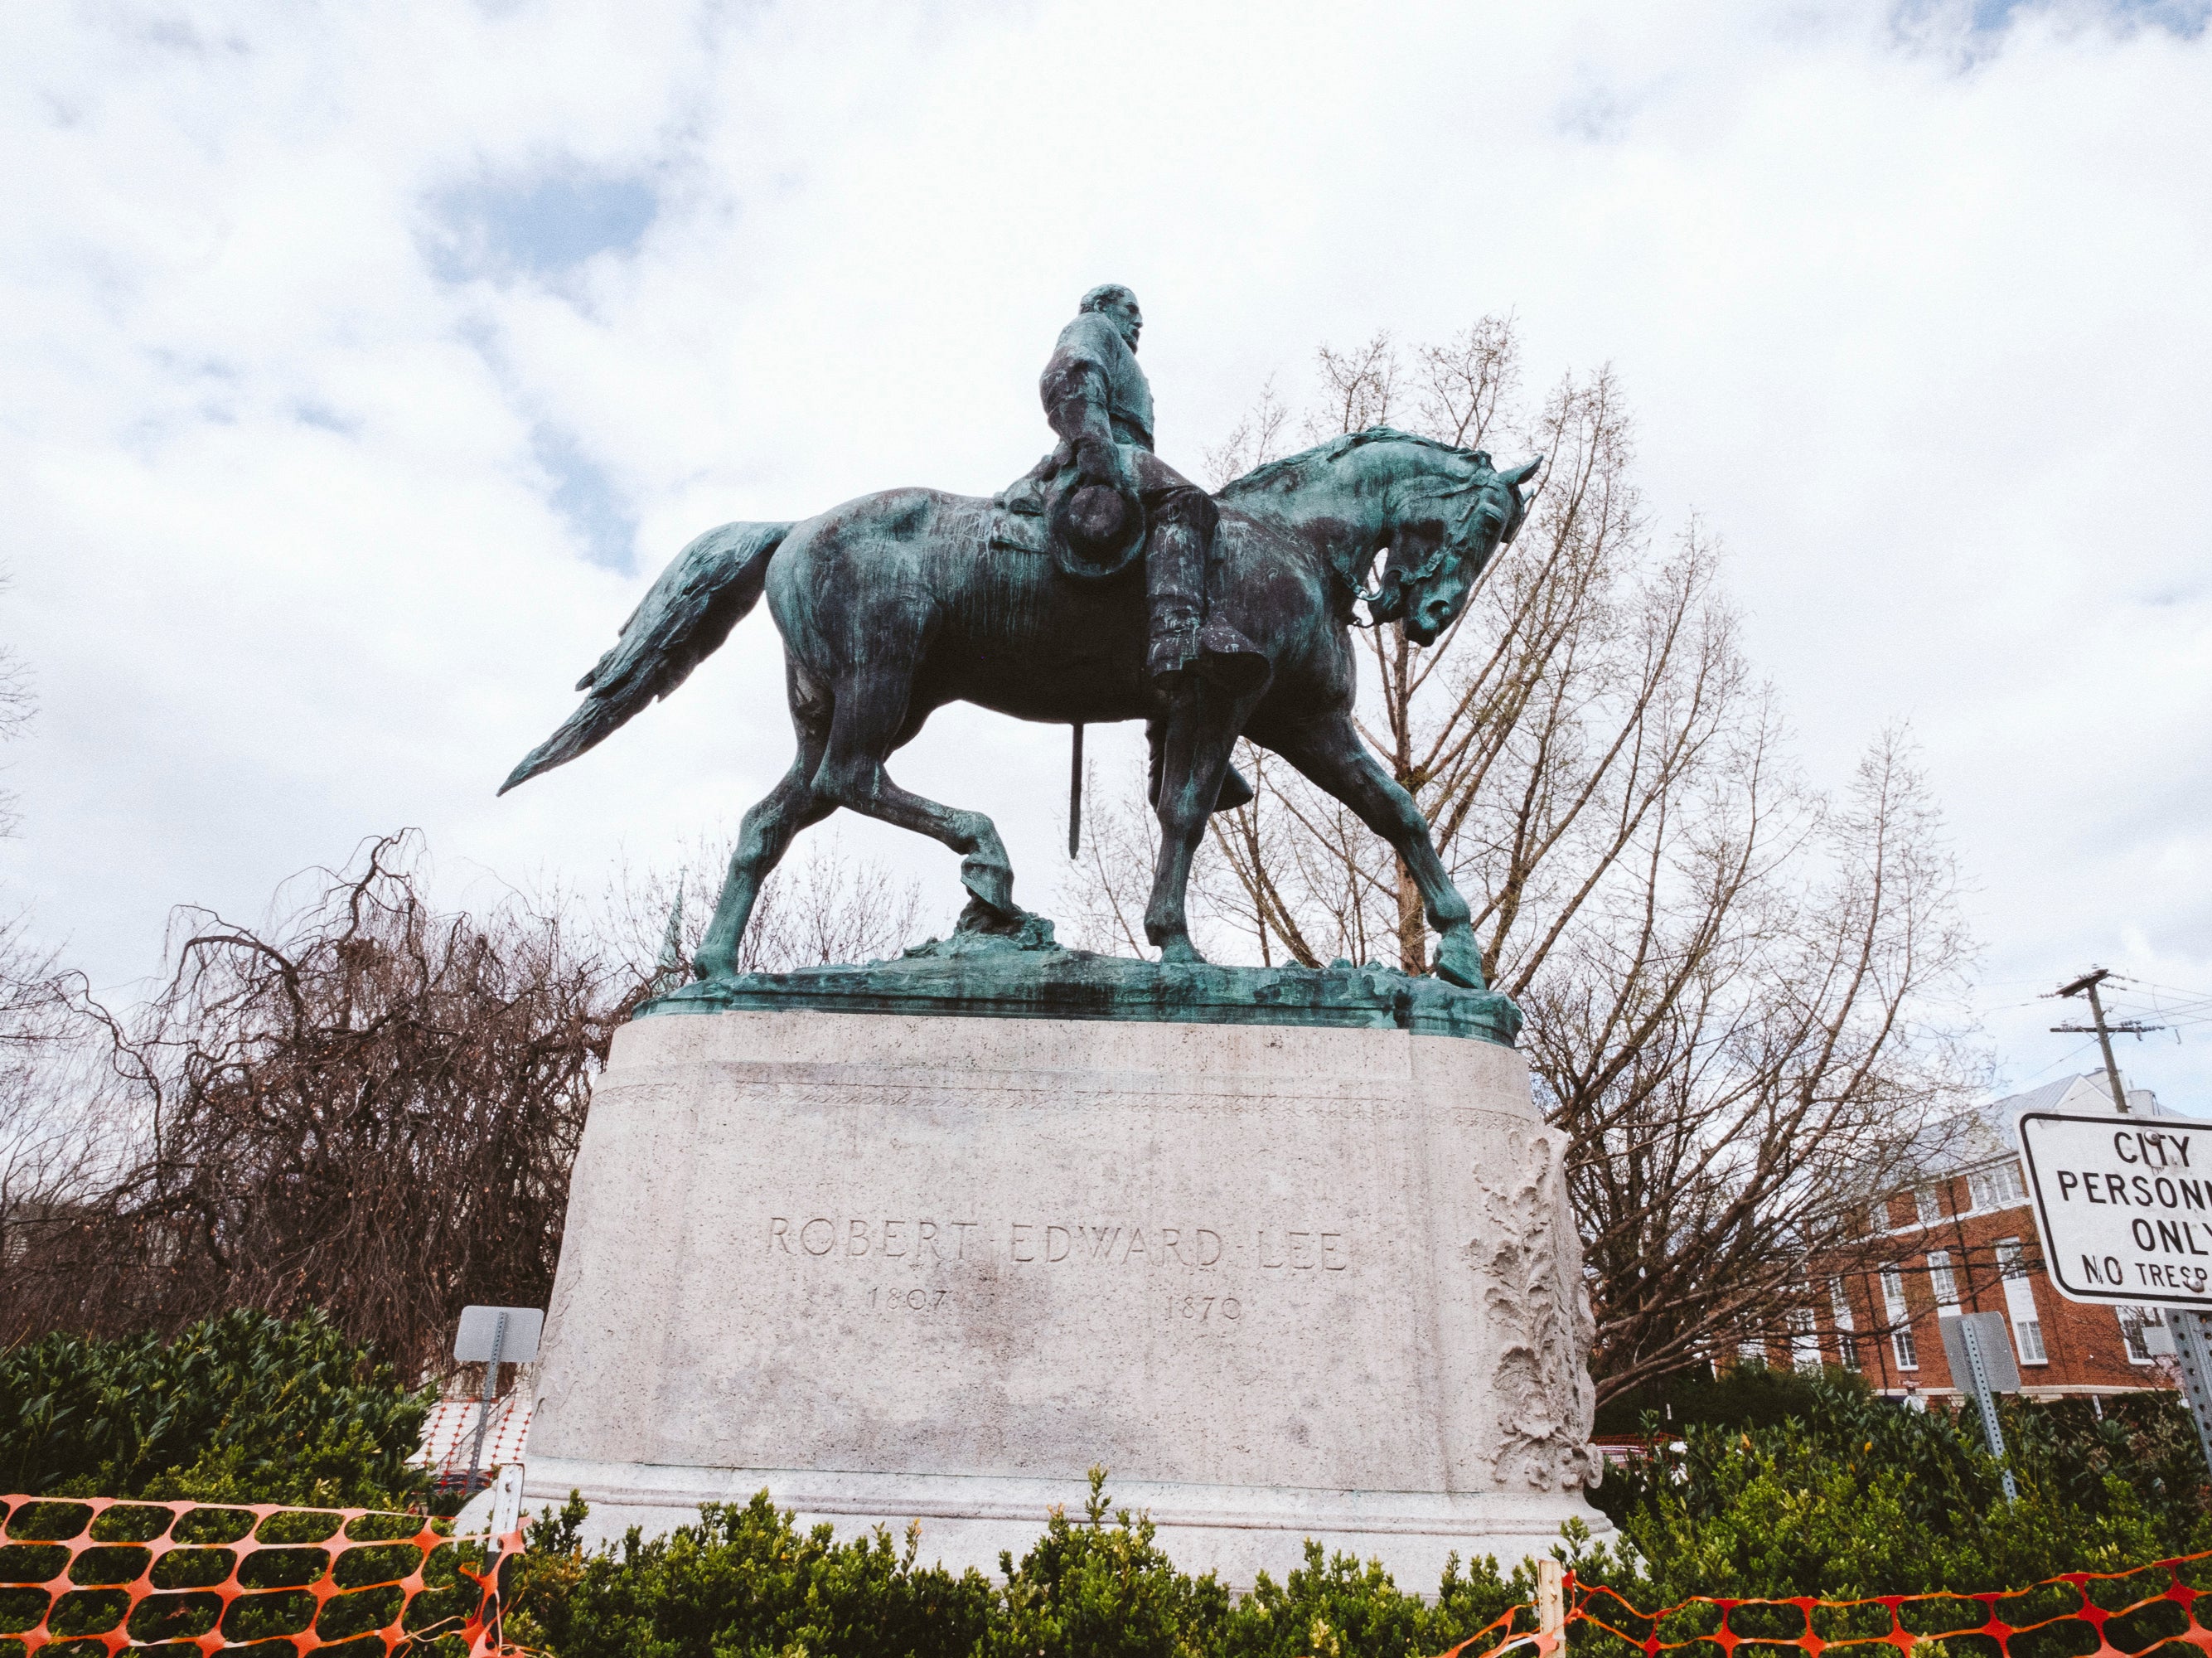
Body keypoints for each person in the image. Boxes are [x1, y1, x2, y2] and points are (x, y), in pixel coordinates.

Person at [1025, 284, 1266, 691]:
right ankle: (1177, 634)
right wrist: (1094, 446)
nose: (1138, 322)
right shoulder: (1093, 325)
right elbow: (1071, 373)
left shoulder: (1123, 355)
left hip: (1121, 452)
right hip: (1106, 452)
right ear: (1102, 307)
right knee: (1185, 501)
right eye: (1131, 311)